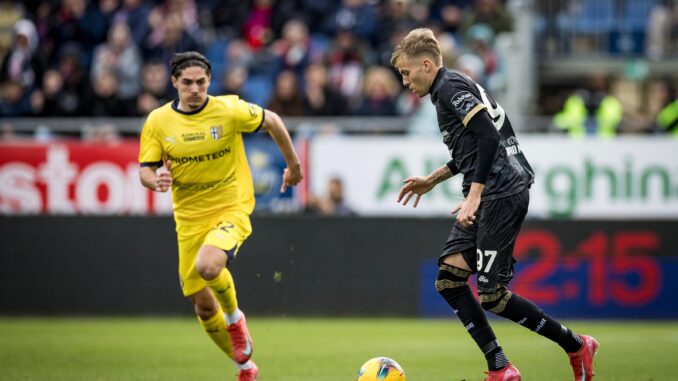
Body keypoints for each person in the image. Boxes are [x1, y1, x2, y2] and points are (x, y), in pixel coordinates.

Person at [391, 28, 598, 381]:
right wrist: (433, 179)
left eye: (407, 74)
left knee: (491, 296)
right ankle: (500, 366)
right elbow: (473, 148)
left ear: (427, 65)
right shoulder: (449, 87)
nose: (406, 82)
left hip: (500, 193)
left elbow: (488, 135)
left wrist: (474, 193)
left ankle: (576, 344)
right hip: (492, 191)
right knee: (449, 280)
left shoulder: (450, 88)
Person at [138, 51, 303, 381]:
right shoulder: (158, 121)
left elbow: (273, 121)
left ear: (209, 81)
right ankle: (245, 367)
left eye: (201, 82)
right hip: (188, 218)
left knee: (209, 265)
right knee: (201, 305)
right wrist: (156, 180)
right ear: (174, 83)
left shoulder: (228, 110)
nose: (195, 89)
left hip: (231, 206)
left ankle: (235, 319)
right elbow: (145, 169)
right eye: (187, 83)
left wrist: (294, 166)